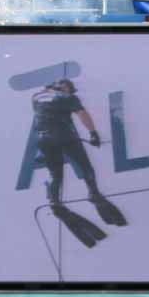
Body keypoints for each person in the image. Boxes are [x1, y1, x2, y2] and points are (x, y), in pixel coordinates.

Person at [32, 78, 102, 206]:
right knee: (85, 166)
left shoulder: (36, 97)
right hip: (64, 135)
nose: (70, 91)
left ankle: (54, 200)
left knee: (55, 172)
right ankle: (94, 193)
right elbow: (82, 114)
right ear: (64, 87)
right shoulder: (68, 97)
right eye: (69, 88)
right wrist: (93, 133)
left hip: (44, 139)